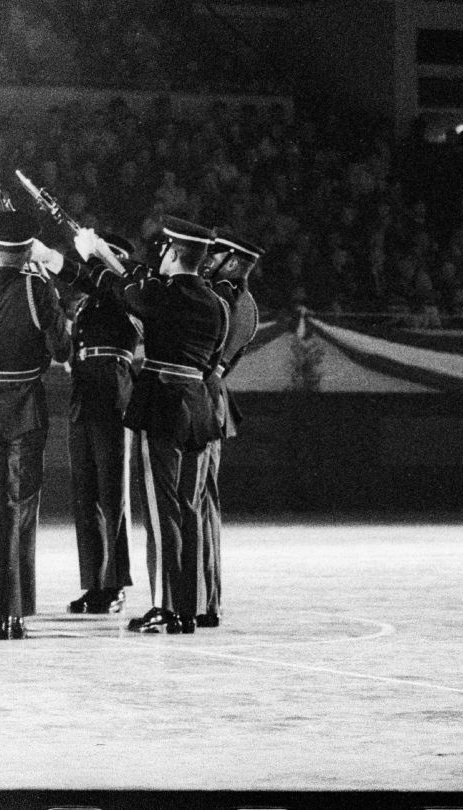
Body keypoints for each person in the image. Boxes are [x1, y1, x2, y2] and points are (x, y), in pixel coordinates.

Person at [72, 217, 229, 634]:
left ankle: (166, 606)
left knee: (164, 514)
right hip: (198, 406)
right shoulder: (217, 304)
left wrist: (92, 256)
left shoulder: (160, 295)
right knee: (191, 510)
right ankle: (191, 605)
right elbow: (212, 362)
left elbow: (121, 290)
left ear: (174, 252)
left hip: (162, 405)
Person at [0, 211, 71, 640]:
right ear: (27, 249)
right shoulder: (36, 288)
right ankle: (16, 613)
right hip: (24, 409)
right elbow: (61, 348)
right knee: (21, 508)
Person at [52, 230, 139, 615]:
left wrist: (89, 263)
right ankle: (94, 583)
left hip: (110, 386)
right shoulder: (87, 303)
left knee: (111, 493)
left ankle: (115, 583)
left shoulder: (124, 291)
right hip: (85, 389)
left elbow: (107, 289)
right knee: (85, 495)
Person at [198, 231, 263, 629]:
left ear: (234, 263)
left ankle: (204, 599)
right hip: (211, 399)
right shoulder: (242, 301)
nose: (208, 258)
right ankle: (204, 597)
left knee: (201, 506)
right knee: (202, 504)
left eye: (217, 254)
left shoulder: (226, 300)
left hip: (203, 397)